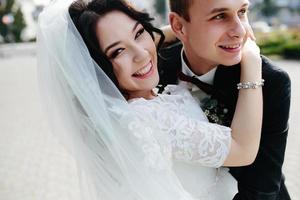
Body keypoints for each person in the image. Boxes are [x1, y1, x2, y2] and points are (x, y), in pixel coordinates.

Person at [37, 0, 262, 199]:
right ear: (97, 70)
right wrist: (252, 60)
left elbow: (138, 44)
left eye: (139, 33)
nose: (142, 54)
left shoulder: (123, 106)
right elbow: (242, 150)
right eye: (117, 52)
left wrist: (183, 30)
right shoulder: (141, 117)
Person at [158, 0, 291, 200]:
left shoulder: (270, 81)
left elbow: (260, 191)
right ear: (178, 25)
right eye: (219, 16)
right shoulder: (151, 64)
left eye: (242, 12)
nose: (240, 30)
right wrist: (168, 32)